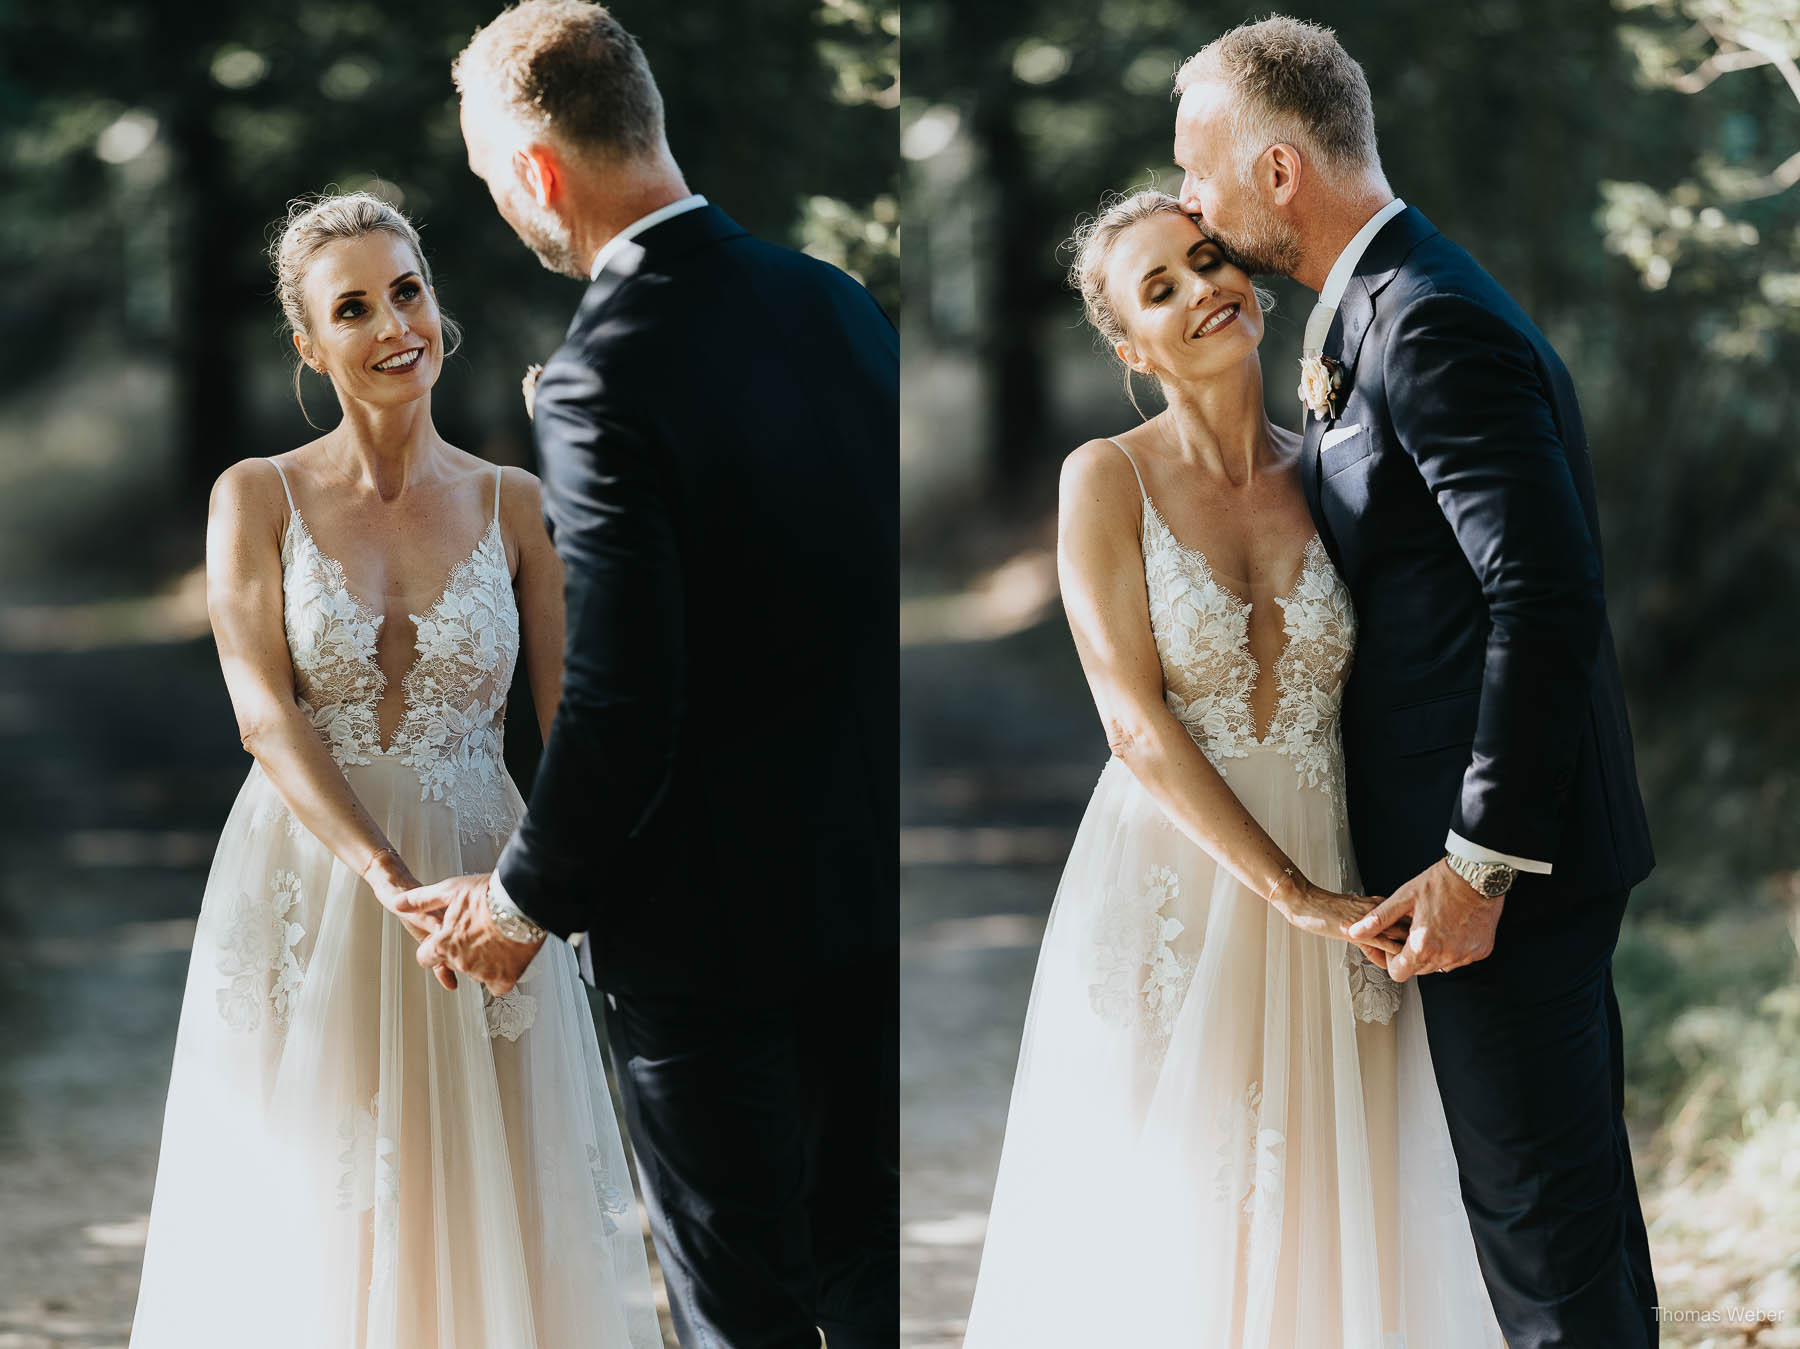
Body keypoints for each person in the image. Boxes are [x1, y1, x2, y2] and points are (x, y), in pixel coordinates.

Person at [396, 5, 899, 1346]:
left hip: (704, 941)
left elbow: (624, 687)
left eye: (494, 175)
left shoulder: (602, 375)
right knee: (864, 1280)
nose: (503, 205)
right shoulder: (839, 308)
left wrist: (527, 898)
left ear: (541, 173)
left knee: (741, 1309)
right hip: (866, 894)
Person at [1173, 17, 1658, 1348]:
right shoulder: (1383, 310)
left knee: (1548, 1256)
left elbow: (1544, 595)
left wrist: (1482, 859)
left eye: (1197, 170)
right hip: (1478, 874)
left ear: (1281, 173)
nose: (1185, 201)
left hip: (1506, 877)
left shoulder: (1428, 322)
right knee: (1558, 1230)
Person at [962, 189, 1504, 1348]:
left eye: (1208, 262)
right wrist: (1292, 895)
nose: (1203, 290)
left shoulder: (1333, 473)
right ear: (1129, 345)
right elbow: (1133, 720)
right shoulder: (1105, 477)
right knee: (1177, 1198)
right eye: (1161, 287)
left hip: (1342, 868)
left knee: (1323, 1194)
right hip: (1178, 879)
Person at [128, 190, 660, 1348]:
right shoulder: (254, 495)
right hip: (314, 874)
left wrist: (538, 889)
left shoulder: (518, 503)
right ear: (310, 342)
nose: (392, 325)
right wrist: (381, 872)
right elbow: (266, 713)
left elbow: (573, 718)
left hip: (487, 870)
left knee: (484, 1189)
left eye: (407, 290)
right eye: (353, 307)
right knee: (318, 1178)